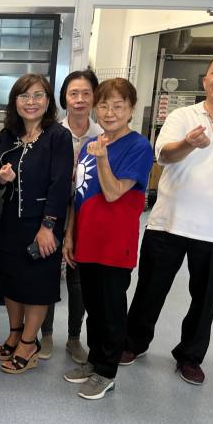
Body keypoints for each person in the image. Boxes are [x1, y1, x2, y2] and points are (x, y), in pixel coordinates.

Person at [121, 52, 213, 385]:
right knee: (149, 290)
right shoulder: (181, 116)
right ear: (204, 80)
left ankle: (189, 356)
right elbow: (164, 154)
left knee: (205, 300)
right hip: (168, 223)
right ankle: (133, 343)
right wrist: (189, 143)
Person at [61, 78, 153, 399]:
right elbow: (79, 196)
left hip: (115, 245)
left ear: (130, 110)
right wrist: (70, 235)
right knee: (93, 307)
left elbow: (114, 193)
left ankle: (107, 372)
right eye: (104, 105)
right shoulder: (92, 144)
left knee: (112, 310)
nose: (110, 112)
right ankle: (95, 361)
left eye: (118, 105)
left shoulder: (138, 146)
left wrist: (101, 157)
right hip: (86, 240)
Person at [0, 74, 72, 374]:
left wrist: (48, 226)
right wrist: (1, 176)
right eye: (25, 96)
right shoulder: (8, 134)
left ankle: (29, 342)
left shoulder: (57, 136)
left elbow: (60, 183)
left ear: (48, 101)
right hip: (12, 218)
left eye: (39, 95)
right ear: (15, 101)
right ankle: (14, 332)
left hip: (42, 222)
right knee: (11, 279)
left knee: (37, 283)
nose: (31, 102)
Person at [40, 70, 102, 363]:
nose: (79, 100)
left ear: (94, 97)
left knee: (78, 280)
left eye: (85, 93)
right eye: (73, 94)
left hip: (87, 217)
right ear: (64, 98)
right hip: (53, 213)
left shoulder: (102, 136)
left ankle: (75, 337)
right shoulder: (52, 132)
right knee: (48, 274)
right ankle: (47, 333)